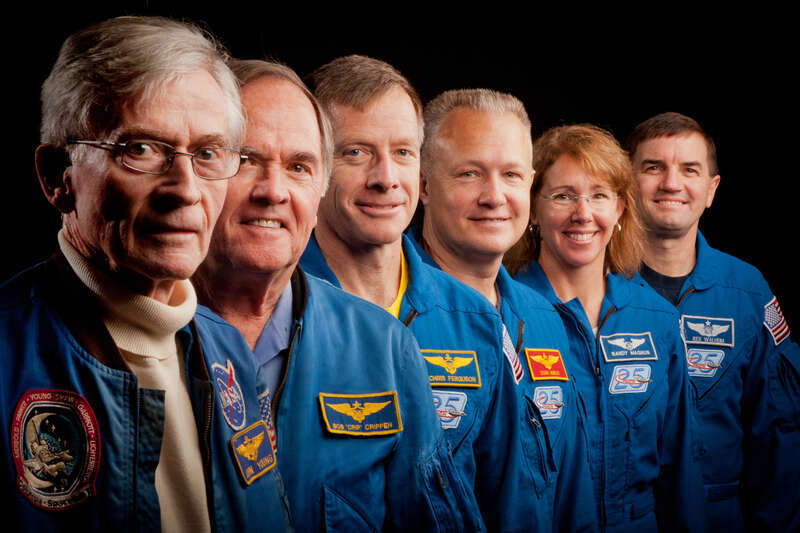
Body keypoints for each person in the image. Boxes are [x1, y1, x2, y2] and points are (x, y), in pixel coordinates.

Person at [1, 17, 289, 532]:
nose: (185, 188)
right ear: (56, 177)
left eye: (206, 154)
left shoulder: (228, 354)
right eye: (140, 149)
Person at [192, 58, 479, 532]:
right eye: (246, 160)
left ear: (318, 185)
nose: (274, 191)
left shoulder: (386, 348)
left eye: (299, 165)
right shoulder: (146, 334)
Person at [299, 55, 527, 530]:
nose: (385, 178)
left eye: (403, 152)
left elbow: (509, 505)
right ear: (314, 164)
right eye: (356, 152)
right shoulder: (277, 313)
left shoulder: (474, 320)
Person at [411, 88, 598, 532]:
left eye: (512, 175)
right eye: (470, 174)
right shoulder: (391, 318)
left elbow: (574, 495)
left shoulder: (546, 319)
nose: (494, 196)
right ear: (423, 185)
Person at [505, 124, 705, 532]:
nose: (583, 213)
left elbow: (682, 472)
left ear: (619, 210)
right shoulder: (505, 315)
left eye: (599, 195)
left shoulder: (656, 319)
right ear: (534, 208)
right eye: (563, 196)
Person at [627, 112, 800, 532]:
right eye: (653, 167)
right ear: (626, 184)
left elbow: (782, 437)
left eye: (689, 170)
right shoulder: (590, 289)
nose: (671, 183)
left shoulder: (747, 292)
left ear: (710, 190)